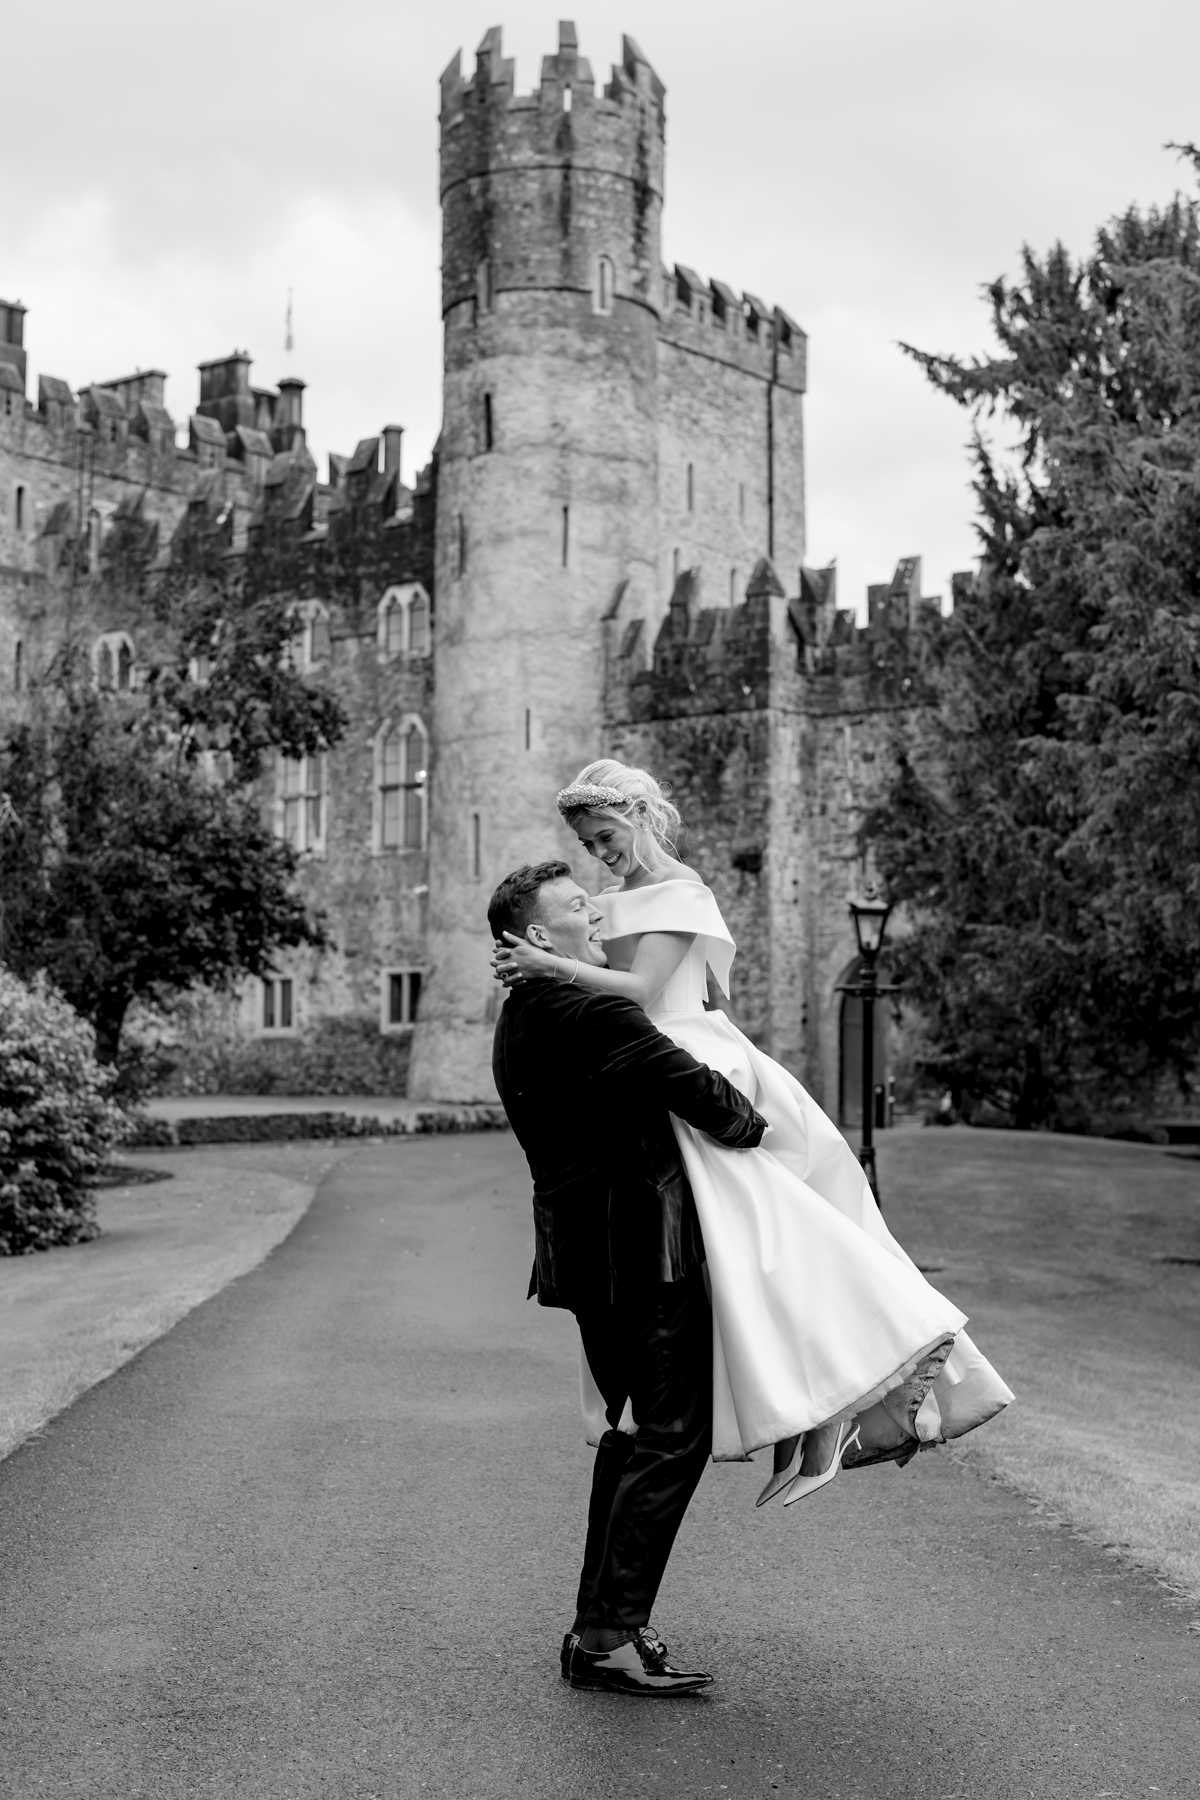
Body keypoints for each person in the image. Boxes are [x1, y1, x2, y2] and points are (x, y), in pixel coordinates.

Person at [493, 760, 1013, 1501]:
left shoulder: (683, 890)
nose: (599, 854)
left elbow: (644, 993)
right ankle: (807, 1413)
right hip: (650, 1064)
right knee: (733, 1267)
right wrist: (549, 967)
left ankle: (857, 1389)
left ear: (640, 815)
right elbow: (614, 990)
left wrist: (549, 966)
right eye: (586, 843)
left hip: (687, 1061)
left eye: (605, 836)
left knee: (772, 1239)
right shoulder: (606, 901)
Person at [489, 859, 769, 1698]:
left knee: (633, 1434)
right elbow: (717, 1106)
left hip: (582, 1257)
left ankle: (597, 1631)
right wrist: (755, 1109)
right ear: (540, 936)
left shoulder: (523, 1015)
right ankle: (608, 1634)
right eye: (579, 906)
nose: (598, 912)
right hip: (645, 1253)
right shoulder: (595, 1010)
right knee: (672, 1437)